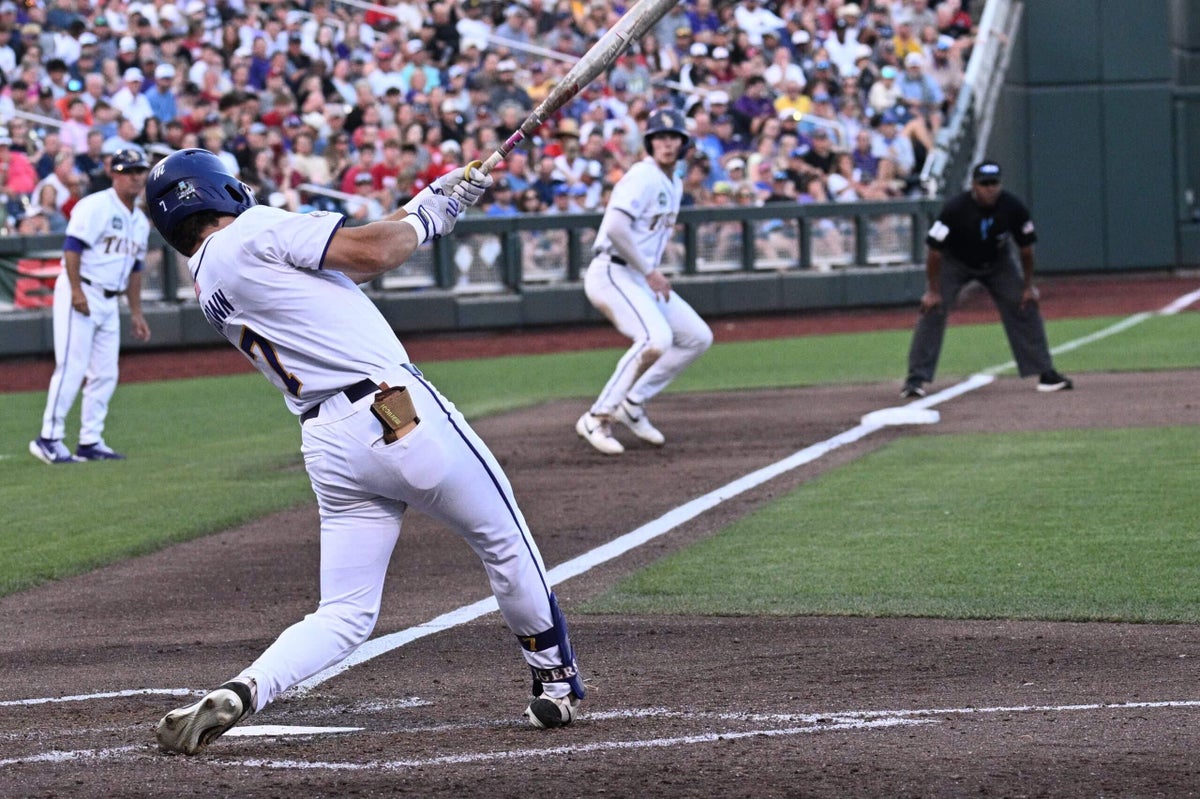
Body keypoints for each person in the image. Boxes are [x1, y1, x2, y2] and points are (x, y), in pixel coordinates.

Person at [145, 149, 585, 755]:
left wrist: (434, 198)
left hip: (327, 440)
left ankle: (244, 691)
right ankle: (555, 681)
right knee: (503, 539)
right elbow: (375, 252)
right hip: (394, 410)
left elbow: (359, 246)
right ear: (217, 191)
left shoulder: (208, 275)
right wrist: (431, 218)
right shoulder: (252, 229)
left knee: (345, 612)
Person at [576, 108, 713, 455]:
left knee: (697, 337)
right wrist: (650, 271)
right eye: (659, 138)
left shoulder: (675, 181)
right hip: (613, 271)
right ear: (650, 143)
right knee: (655, 339)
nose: (666, 144)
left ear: (683, 144)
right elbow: (616, 229)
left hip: (638, 276)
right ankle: (597, 416)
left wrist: (648, 272)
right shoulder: (643, 176)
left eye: (673, 138)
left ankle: (633, 403)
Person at [900, 161, 1072, 398]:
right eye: (984, 184)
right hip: (955, 261)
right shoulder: (955, 208)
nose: (990, 189)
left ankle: (1046, 373)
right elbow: (934, 250)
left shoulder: (1012, 206)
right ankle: (915, 379)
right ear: (973, 185)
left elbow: (1026, 250)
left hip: (997, 262)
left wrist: (1027, 285)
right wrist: (932, 290)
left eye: (994, 183)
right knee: (933, 309)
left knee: (1025, 304)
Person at [29, 150, 152, 465]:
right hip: (82, 289)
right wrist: (75, 291)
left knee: (106, 373)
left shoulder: (139, 220)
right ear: (114, 173)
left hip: (110, 300)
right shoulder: (96, 206)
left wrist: (136, 312)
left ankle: (90, 440)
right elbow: (72, 248)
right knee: (71, 366)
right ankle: (48, 438)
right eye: (129, 170)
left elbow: (135, 269)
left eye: (140, 170)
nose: (136, 176)